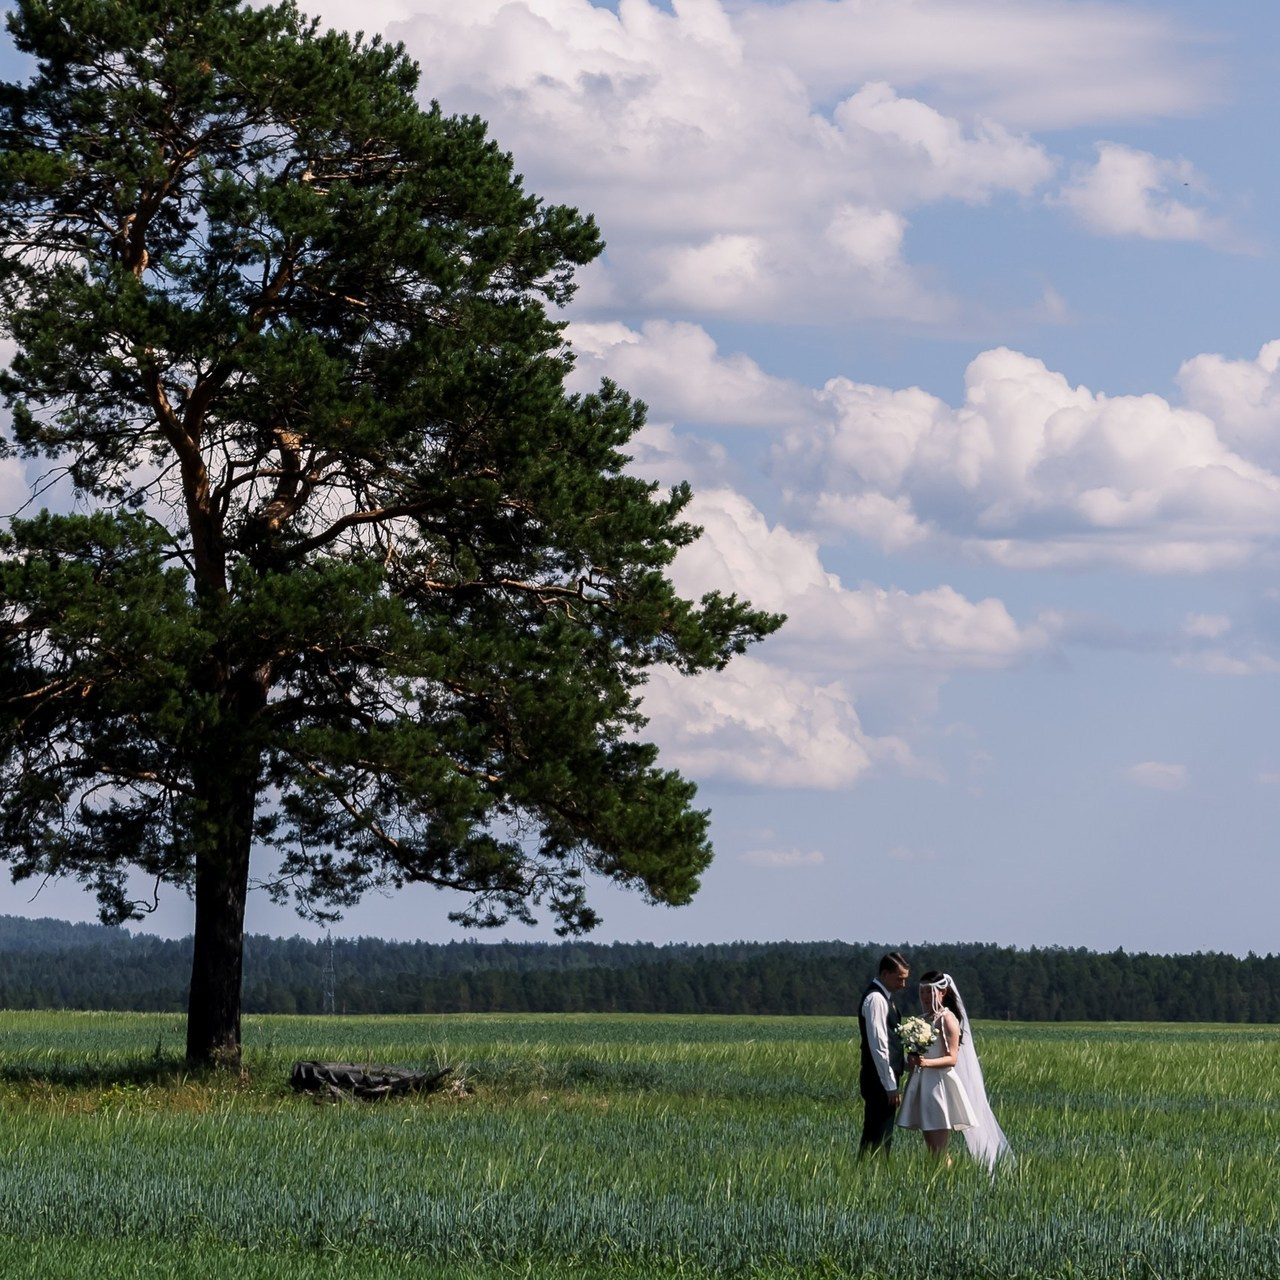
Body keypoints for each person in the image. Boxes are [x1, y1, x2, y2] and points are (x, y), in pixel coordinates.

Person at [897, 971, 1011, 1170]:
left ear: (943, 992)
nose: (925, 996)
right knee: (931, 1146)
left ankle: (945, 1177)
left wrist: (925, 1063)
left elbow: (952, 1058)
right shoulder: (922, 1020)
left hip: (939, 1086)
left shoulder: (947, 1019)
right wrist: (911, 1061)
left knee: (939, 1148)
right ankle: (937, 1176)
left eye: (929, 991)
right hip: (923, 1084)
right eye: (922, 991)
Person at [857, 951, 909, 1156]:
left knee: (877, 1134)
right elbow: (879, 1045)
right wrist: (890, 1085)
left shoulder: (884, 998)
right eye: (899, 979)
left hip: (881, 1077)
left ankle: (867, 1170)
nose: (903, 984)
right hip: (878, 1079)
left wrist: (905, 1063)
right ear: (885, 974)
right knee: (878, 1135)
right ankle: (872, 1170)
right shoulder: (876, 999)